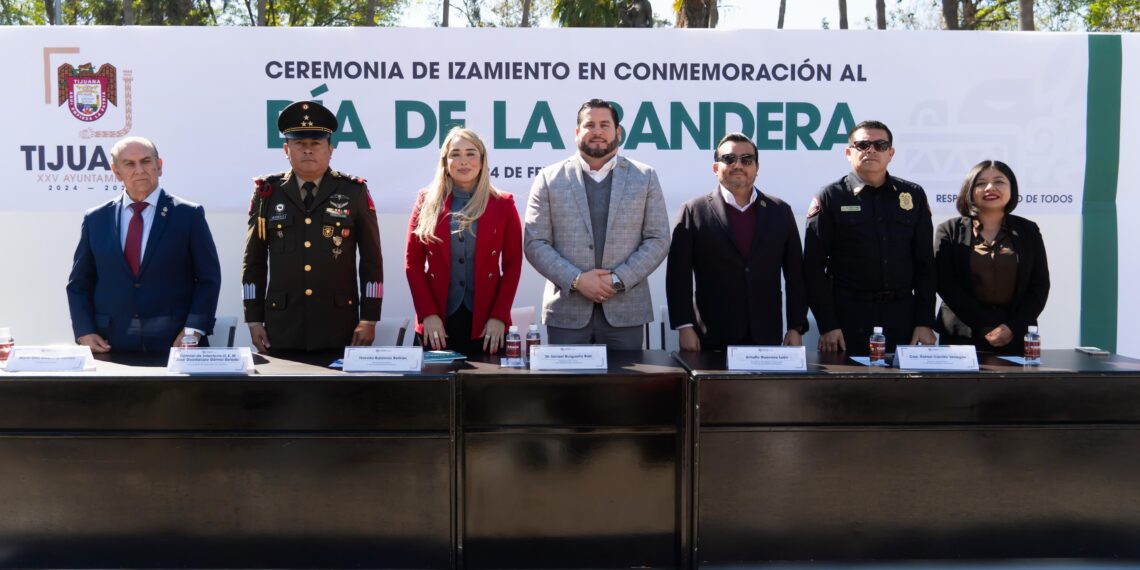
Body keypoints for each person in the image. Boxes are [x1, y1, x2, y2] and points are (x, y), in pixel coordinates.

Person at [524, 98, 670, 349]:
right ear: (577, 132)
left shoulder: (644, 177)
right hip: (566, 313)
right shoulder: (549, 178)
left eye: (605, 124)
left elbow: (658, 239)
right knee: (567, 389)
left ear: (618, 132)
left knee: (625, 390)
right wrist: (578, 280)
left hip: (626, 313)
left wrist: (617, 280)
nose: (598, 131)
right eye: (590, 125)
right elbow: (535, 242)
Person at [242, 100, 383, 352]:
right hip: (282, 325)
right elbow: (253, 260)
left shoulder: (354, 191)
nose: (308, 150)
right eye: (299, 144)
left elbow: (372, 259)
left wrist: (369, 317)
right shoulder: (267, 193)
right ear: (286, 149)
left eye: (315, 144)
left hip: (339, 324)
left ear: (330, 149)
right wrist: (253, 319)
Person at [66, 136, 221, 353]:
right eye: (129, 164)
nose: (139, 169)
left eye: (146, 161)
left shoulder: (189, 214)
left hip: (176, 344)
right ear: (116, 172)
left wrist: (194, 329)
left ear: (159, 166)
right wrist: (84, 331)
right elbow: (79, 283)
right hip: (111, 344)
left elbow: (208, 278)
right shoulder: (95, 219)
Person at [803, 120, 936, 355]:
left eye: (880, 145)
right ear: (848, 152)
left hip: (903, 316)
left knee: (907, 391)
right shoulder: (830, 197)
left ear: (891, 153)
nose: (871, 150)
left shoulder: (912, 195)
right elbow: (813, 268)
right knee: (846, 390)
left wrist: (924, 321)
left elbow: (925, 264)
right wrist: (828, 324)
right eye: (862, 144)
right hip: (848, 319)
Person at [666, 132, 808, 351]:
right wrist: (685, 327)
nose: (738, 165)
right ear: (716, 168)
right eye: (729, 159)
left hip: (766, 334)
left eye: (746, 160)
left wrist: (796, 327)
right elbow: (678, 275)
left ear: (756, 167)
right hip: (711, 335)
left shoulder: (780, 211)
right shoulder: (694, 211)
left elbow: (795, 274)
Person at [405, 127, 523, 355]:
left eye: (470, 153)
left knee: (486, 389)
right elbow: (413, 263)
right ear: (445, 161)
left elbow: (512, 265)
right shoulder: (425, 201)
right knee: (433, 389)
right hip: (437, 322)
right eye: (455, 154)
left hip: (487, 324)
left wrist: (499, 316)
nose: (463, 161)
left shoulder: (503, 203)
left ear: (482, 160)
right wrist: (428, 314)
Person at [935, 160, 1049, 354]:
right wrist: (987, 326)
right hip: (962, 335)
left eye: (999, 181)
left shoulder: (1028, 230)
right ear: (969, 190)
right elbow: (946, 285)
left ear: (1012, 188)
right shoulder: (949, 230)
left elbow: (1039, 286)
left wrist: (1013, 327)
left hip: (1014, 334)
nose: (990, 188)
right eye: (980, 183)